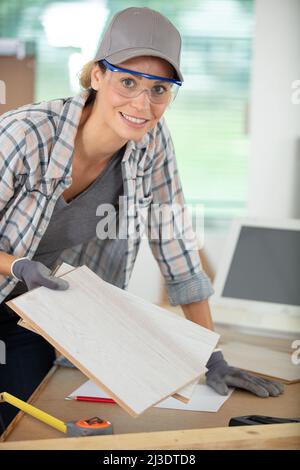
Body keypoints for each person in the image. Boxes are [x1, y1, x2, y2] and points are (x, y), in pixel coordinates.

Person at [0, 7, 283, 431]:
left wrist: (209, 354)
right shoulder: (25, 135)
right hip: (15, 282)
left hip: (36, 314)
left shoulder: (152, 143)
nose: (142, 103)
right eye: (127, 81)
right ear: (97, 75)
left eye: (159, 89)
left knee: (32, 428)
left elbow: (176, 246)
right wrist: (18, 265)